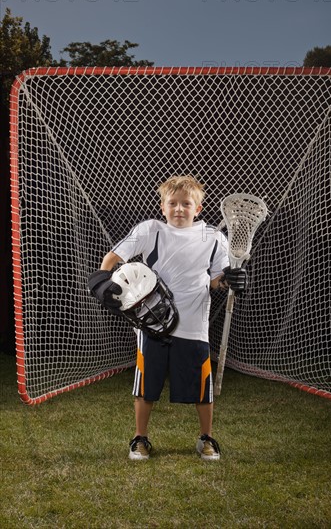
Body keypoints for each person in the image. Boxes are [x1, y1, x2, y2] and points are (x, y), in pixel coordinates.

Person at [88, 175, 246, 461]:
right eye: (172, 203)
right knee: (146, 387)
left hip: (193, 326)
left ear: (198, 208)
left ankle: (207, 438)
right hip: (151, 326)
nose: (179, 209)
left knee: (202, 388)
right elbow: (113, 258)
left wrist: (230, 280)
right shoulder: (150, 230)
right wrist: (104, 279)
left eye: (186, 204)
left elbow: (216, 280)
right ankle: (139, 439)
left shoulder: (212, 237)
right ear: (163, 206)